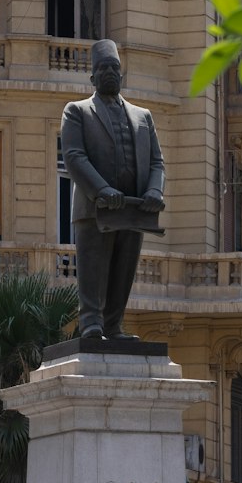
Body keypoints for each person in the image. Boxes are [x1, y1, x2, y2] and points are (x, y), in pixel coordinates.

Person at [61, 40, 165, 340]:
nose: (109, 73)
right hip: (95, 209)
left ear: (122, 75)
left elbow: (157, 161)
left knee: (124, 269)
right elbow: (73, 156)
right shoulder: (77, 111)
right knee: (93, 267)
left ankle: (113, 324)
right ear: (92, 77)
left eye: (114, 68)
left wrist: (155, 192)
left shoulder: (143, 116)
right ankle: (91, 322)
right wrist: (102, 189)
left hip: (134, 210)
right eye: (102, 68)